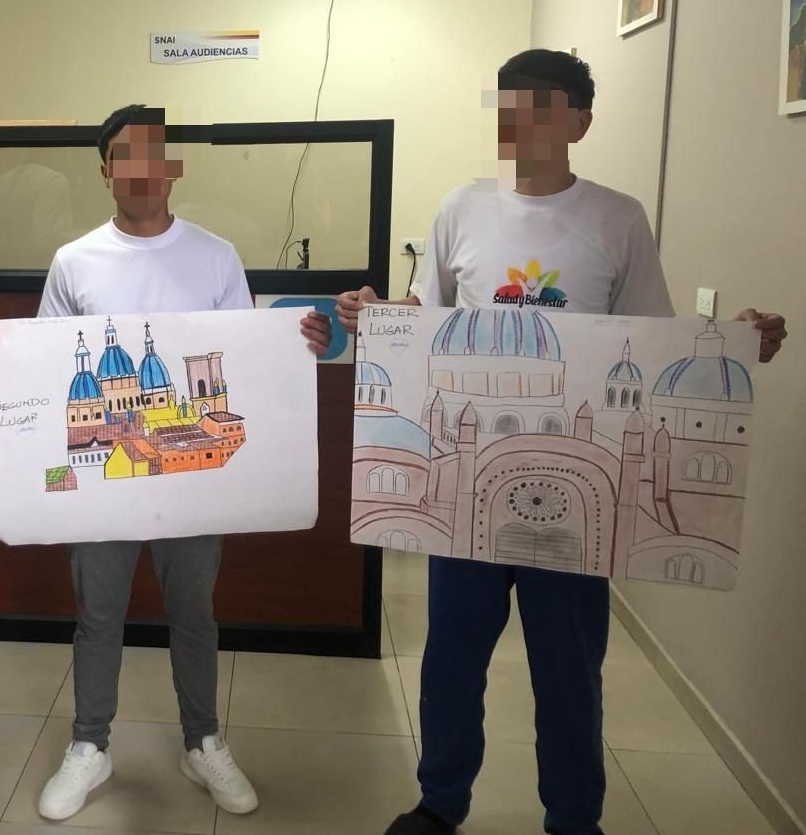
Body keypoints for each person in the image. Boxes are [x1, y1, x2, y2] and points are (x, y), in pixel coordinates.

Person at [337, 49, 787, 835]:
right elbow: (424, 318)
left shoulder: (619, 218)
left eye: (542, 105)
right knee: (451, 660)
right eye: (509, 105)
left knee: (569, 670)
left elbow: (651, 344)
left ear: (579, 120)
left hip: (575, 496)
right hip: (470, 488)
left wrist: (740, 345)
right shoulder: (460, 208)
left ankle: (575, 820)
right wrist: (374, 313)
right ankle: (440, 803)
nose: (523, 122)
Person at [0, 104, 331, 822]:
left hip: (190, 472)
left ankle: (203, 740)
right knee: (98, 612)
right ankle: (90, 744)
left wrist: (299, 343)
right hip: (104, 474)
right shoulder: (75, 260)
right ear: (105, 170)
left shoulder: (216, 255)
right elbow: (46, 360)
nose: (142, 170)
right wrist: (3, 354)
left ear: (172, 168)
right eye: (125, 157)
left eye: (154, 155)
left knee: (194, 611)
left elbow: (246, 355)